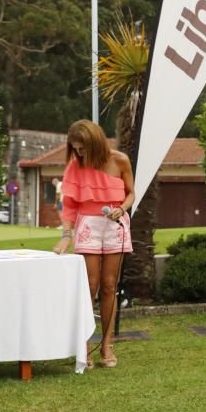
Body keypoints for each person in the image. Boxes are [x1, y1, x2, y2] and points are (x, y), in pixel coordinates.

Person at [53, 119, 135, 370]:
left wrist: (121, 209)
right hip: (88, 224)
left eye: (83, 148)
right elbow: (69, 205)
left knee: (110, 286)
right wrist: (66, 235)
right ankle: (85, 344)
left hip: (116, 224)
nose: (79, 153)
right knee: (90, 285)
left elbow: (131, 193)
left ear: (96, 142)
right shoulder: (74, 166)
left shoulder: (120, 160)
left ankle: (107, 345)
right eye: (76, 148)